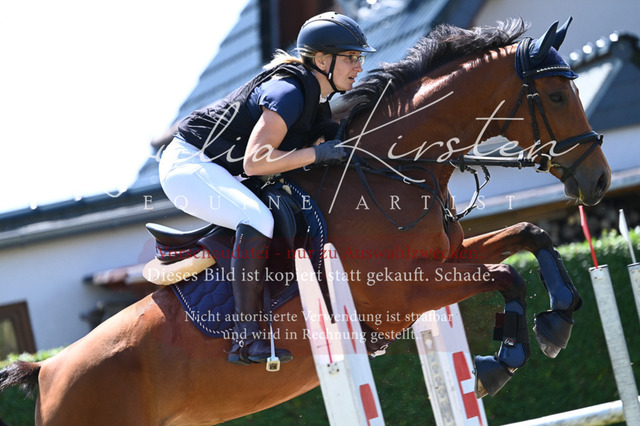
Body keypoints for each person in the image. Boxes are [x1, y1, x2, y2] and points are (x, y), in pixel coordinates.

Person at [158, 12, 375, 366]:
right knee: (256, 218)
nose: (359, 67)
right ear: (322, 60)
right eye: (351, 57)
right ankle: (246, 337)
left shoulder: (316, 102)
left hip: (216, 167)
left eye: (359, 58)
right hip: (188, 165)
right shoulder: (288, 92)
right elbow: (255, 162)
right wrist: (318, 153)